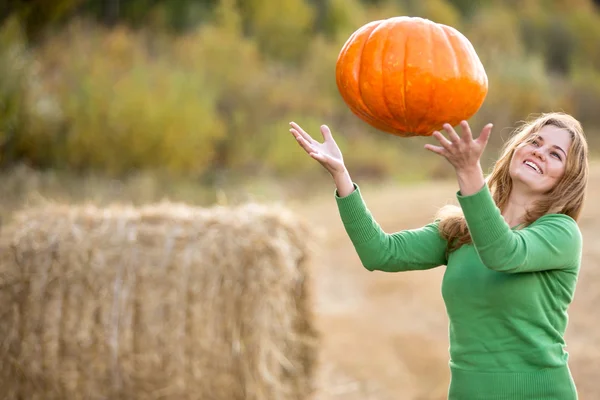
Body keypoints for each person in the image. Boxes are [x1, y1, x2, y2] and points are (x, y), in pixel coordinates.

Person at [289, 112, 589, 400]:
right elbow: (380, 253)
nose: (539, 152)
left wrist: (469, 173)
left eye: (555, 154)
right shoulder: (462, 230)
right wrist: (341, 174)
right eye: (534, 142)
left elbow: (504, 253)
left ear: (566, 180)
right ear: (517, 149)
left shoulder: (560, 233)